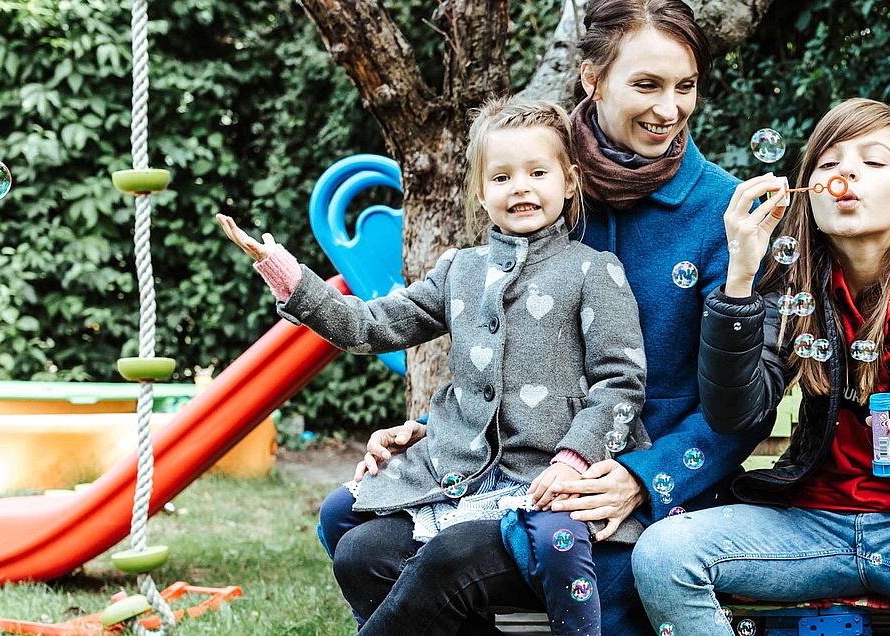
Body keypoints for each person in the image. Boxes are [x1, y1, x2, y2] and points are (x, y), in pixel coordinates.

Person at [325, 1, 766, 633]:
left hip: (646, 497)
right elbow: (517, 344)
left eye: (685, 86)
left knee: (450, 562)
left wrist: (641, 478)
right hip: (517, 473)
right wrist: (435, 432)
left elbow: (749, 401)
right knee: (355, 536)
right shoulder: (537, 179)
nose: (669, 110)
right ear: (591, 77)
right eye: (646, 85)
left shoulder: (727, 214)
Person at [225, 99, 647, 636]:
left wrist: (574, 457)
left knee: (553, 546)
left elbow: (621, 382)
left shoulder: (593, 271)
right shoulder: (460, 271)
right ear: (480, 193)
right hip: (459, 473)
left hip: (547, 477)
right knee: (348, 534)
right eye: (502, 176)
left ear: (569, 182)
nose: (520, 187)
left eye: (537, 173)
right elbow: (371, 325)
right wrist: (287, 276)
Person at [632, 98, 890, 635]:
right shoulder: (792, 283)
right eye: (828, 163)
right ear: (807, 193)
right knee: (663, 554)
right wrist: (740, 277)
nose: (846, 174)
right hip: (809, 522)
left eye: (874, 161)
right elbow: (735, 415)